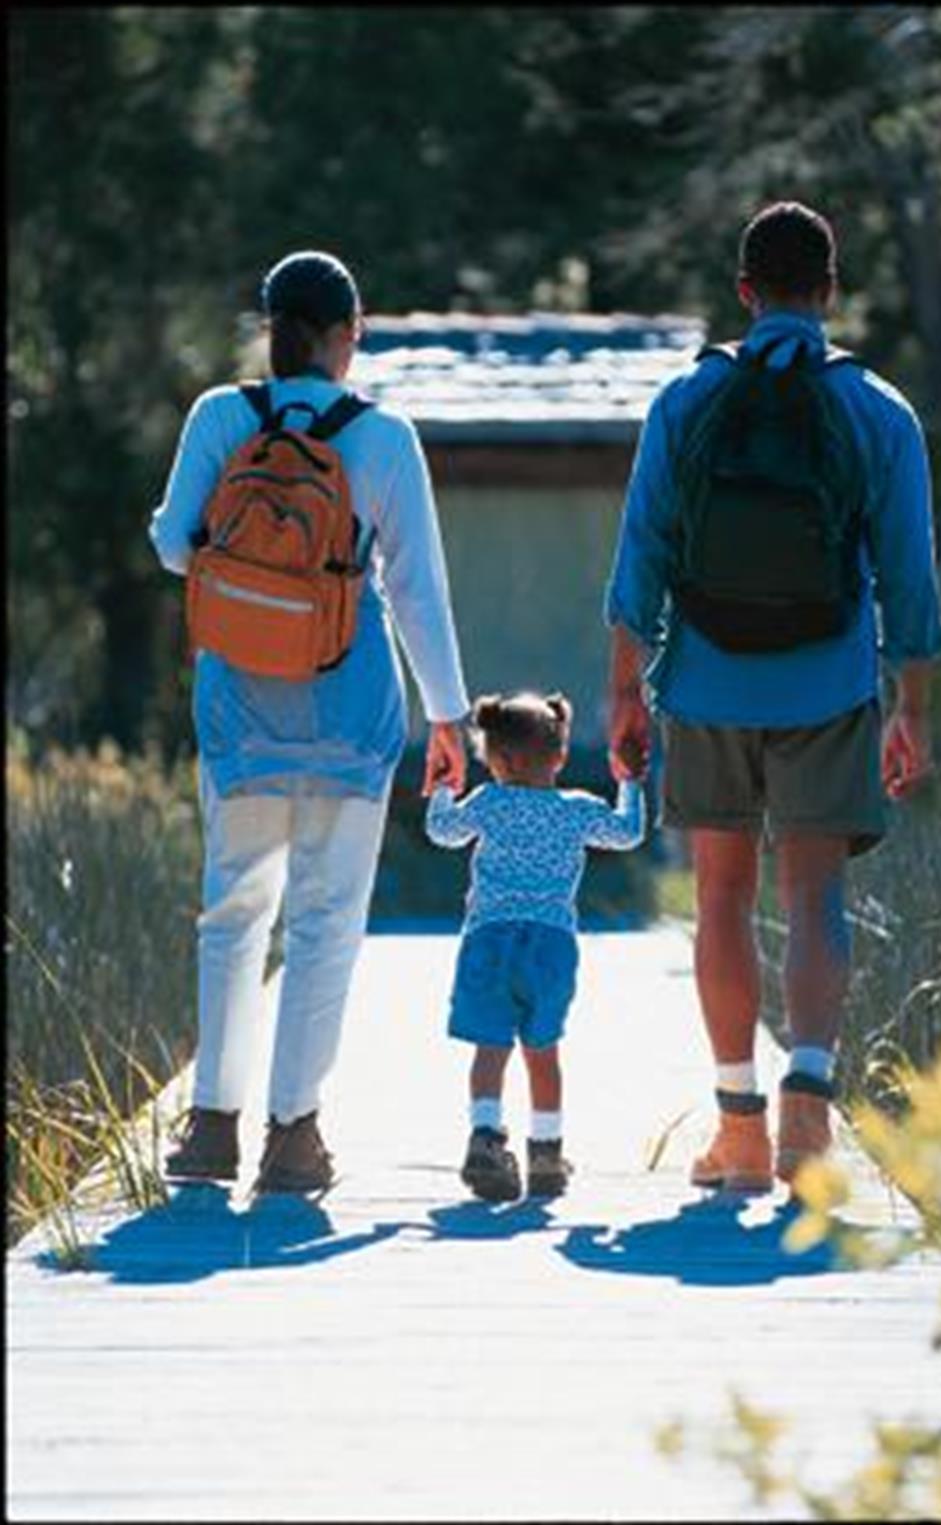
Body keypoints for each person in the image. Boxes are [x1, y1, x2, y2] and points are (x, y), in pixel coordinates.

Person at [604, 201, 941, 1193]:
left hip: (706, 682)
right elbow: (908, 581)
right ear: (830, 291)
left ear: (743, 291)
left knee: (720, 891)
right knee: (814, 893)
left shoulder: (686, 401)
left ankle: (738, 1129)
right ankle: (808, 1113)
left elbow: (640, 558)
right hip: (828, 683)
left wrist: (625, 690)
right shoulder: (878, 412)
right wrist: (909, 704)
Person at [150, 250, 470, 1193]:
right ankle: (294, 1137)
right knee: (327, 923)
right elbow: (416, 589)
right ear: (349, 335)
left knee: (234, 912)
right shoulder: (382, 437)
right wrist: (450, 716)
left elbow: (174, 545)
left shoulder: (220, 415)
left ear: (270, 328)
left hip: (240, 709)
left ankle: (211, 1126)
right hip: (349, 711)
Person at [425, 691, 646, 1201]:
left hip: (489, 940)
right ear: (560, 756)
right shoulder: (575, 811)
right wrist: (630, 783)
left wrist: (444, 787)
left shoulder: (488, 802)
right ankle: (546, 1155)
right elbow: (628, 834)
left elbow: (442, 831)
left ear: (496, 760)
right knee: (543, 1051)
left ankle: (485, 1137)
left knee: (491, 1047)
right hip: (551, 946)